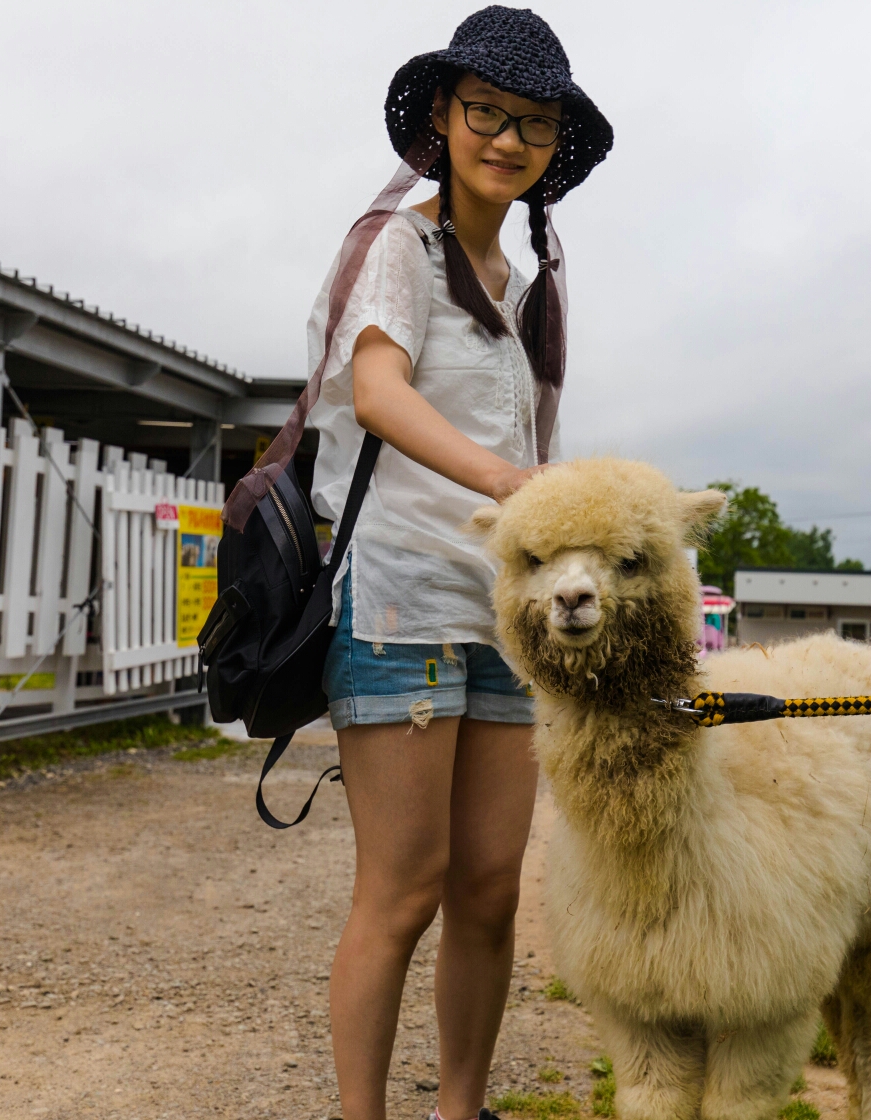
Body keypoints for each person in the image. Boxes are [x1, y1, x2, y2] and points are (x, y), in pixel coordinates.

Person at [302, 9, 612, 1120]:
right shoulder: (400, 244)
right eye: (486, 109)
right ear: (441, 115)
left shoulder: (528, 282)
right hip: (398, 599)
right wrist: (501, 482)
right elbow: (378, 393)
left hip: (501, 620)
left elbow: (537, 453)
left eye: (533, 121)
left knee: (487, 889)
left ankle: (461, 1106)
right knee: (404, 888)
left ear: (551, 147)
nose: (506, 137)